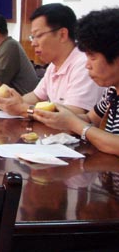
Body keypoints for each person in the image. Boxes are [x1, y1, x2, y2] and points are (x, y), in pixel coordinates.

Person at [34, 8, 119, 156]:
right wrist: (60, 117)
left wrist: (74, 123)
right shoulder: (112, 91)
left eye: (92, 57)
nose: (87, 65)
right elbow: (90, 119)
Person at [0, 3, 104, 117]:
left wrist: (23, 109)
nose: (33, 43)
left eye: (38, 35)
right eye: (33, 37)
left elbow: (74, 114)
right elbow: (36, 96)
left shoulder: (84, 64)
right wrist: (13, 102)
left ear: (62, 34)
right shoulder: (54, 65)